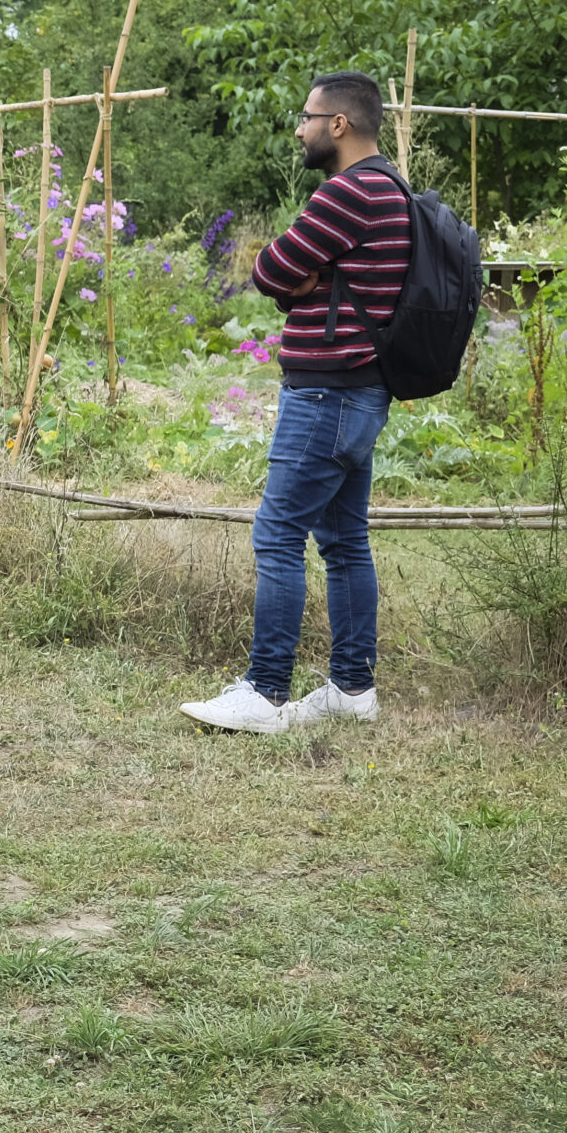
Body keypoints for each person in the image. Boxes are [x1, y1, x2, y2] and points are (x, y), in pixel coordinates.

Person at [180, 72, 408, 735]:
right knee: (343, 541)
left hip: (325, 395)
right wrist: (304, 278)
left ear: (339, 124)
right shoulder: (389, 187)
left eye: (307, 118)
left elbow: (269, 270)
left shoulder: (347, 194)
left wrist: (300, 278)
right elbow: (289, 274)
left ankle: (265, 688)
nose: (300, 129)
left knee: (278, 535)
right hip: (361, 391)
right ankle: (351, 687)